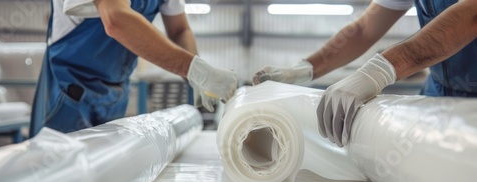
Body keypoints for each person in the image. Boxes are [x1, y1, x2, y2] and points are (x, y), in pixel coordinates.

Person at [252, 0, 477, 147]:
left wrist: (380, 70)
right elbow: (363, 29)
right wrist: (305, 69)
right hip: (441, 93)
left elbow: (471, 17)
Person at [30, 0, 237, 136]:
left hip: (114, 93)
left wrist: (197, 75)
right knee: (54, 179)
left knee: (105, 179)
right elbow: (115, 19)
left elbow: (179, 29)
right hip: (68, 92)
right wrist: (193, 69)